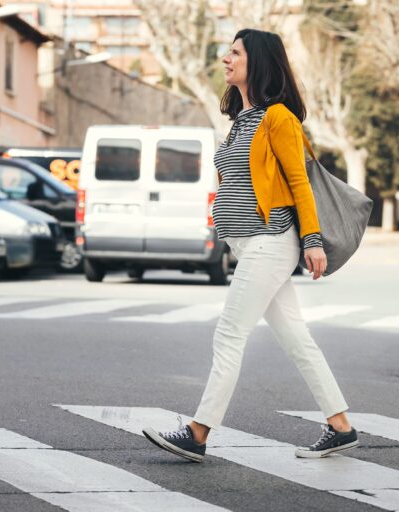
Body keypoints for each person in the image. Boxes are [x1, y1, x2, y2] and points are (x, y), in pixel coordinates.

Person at [142, 29, 358, 462]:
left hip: (271, 242)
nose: (226, 59)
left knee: (228, 335)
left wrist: (312, 240)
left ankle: (198, 432)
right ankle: (341, 426)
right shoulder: (242, 120)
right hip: (250, 244)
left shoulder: (279, 118)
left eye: (235, 52)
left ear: (256, 61)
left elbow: (299, 183)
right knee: (297, 339)